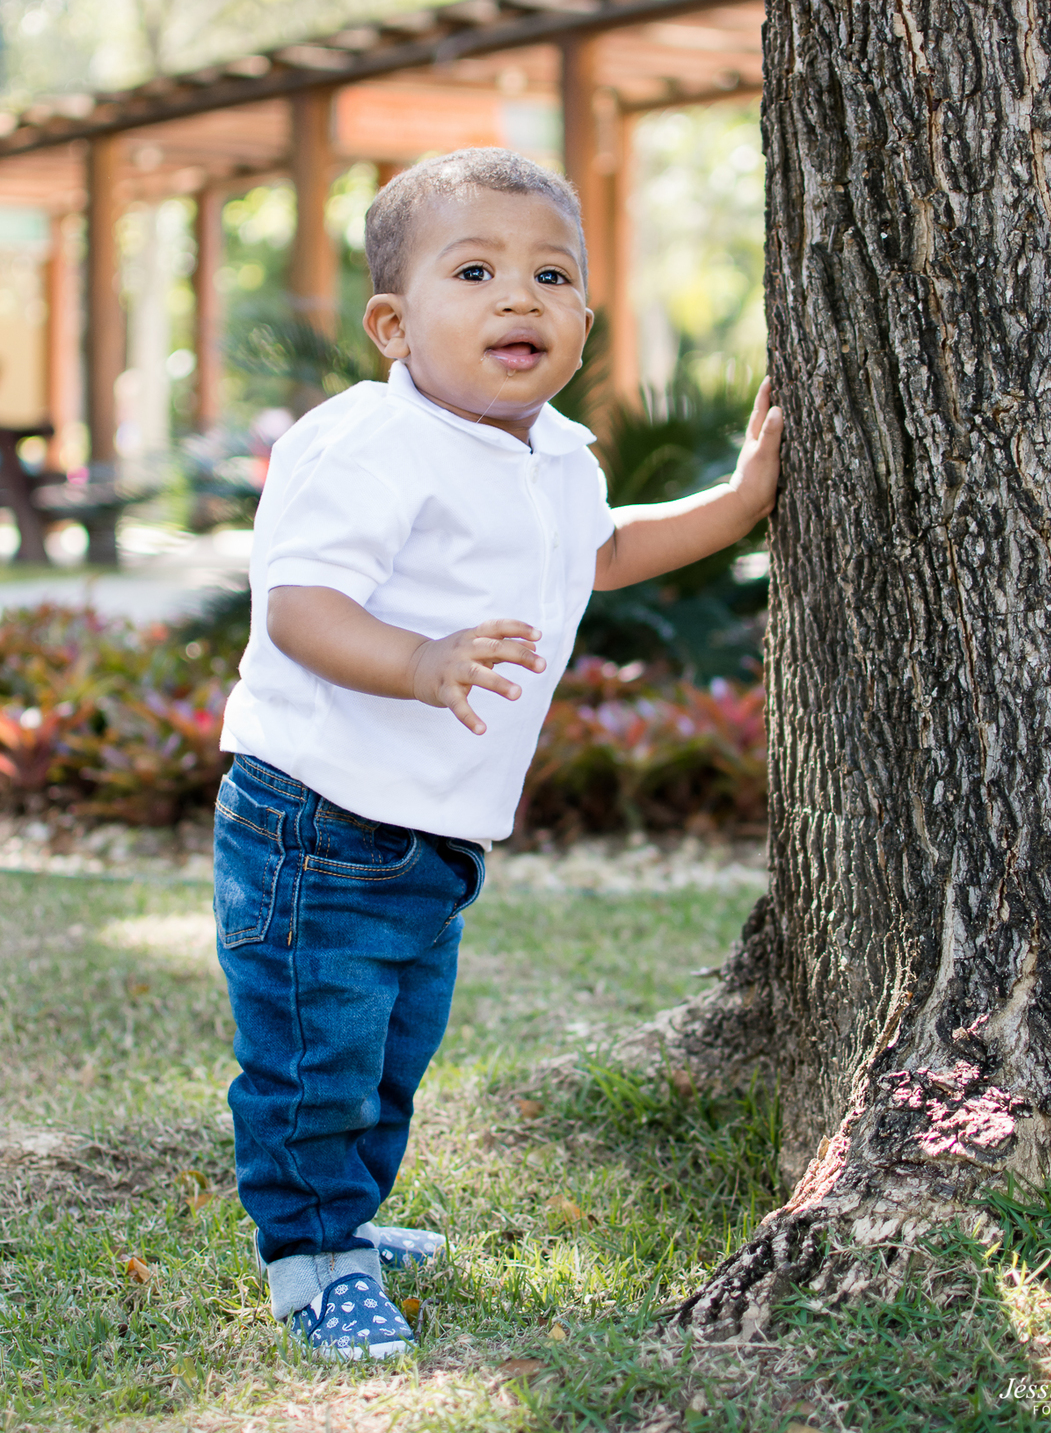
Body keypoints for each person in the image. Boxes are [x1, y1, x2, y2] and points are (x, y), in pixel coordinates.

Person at [216, 147, 783, 1359]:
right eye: (473, 271)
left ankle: (349, 1215)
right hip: (318, 820)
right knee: (318, 1051)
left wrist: (735, 509)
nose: (519, 296)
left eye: (551, 273)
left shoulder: (552, 454)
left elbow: (603, 552)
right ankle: (313, 1256)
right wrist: (422, 662)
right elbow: (301, 608)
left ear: (586, 313)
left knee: (388, 1051)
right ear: (392, 322)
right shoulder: (370, 440)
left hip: (430, 830)